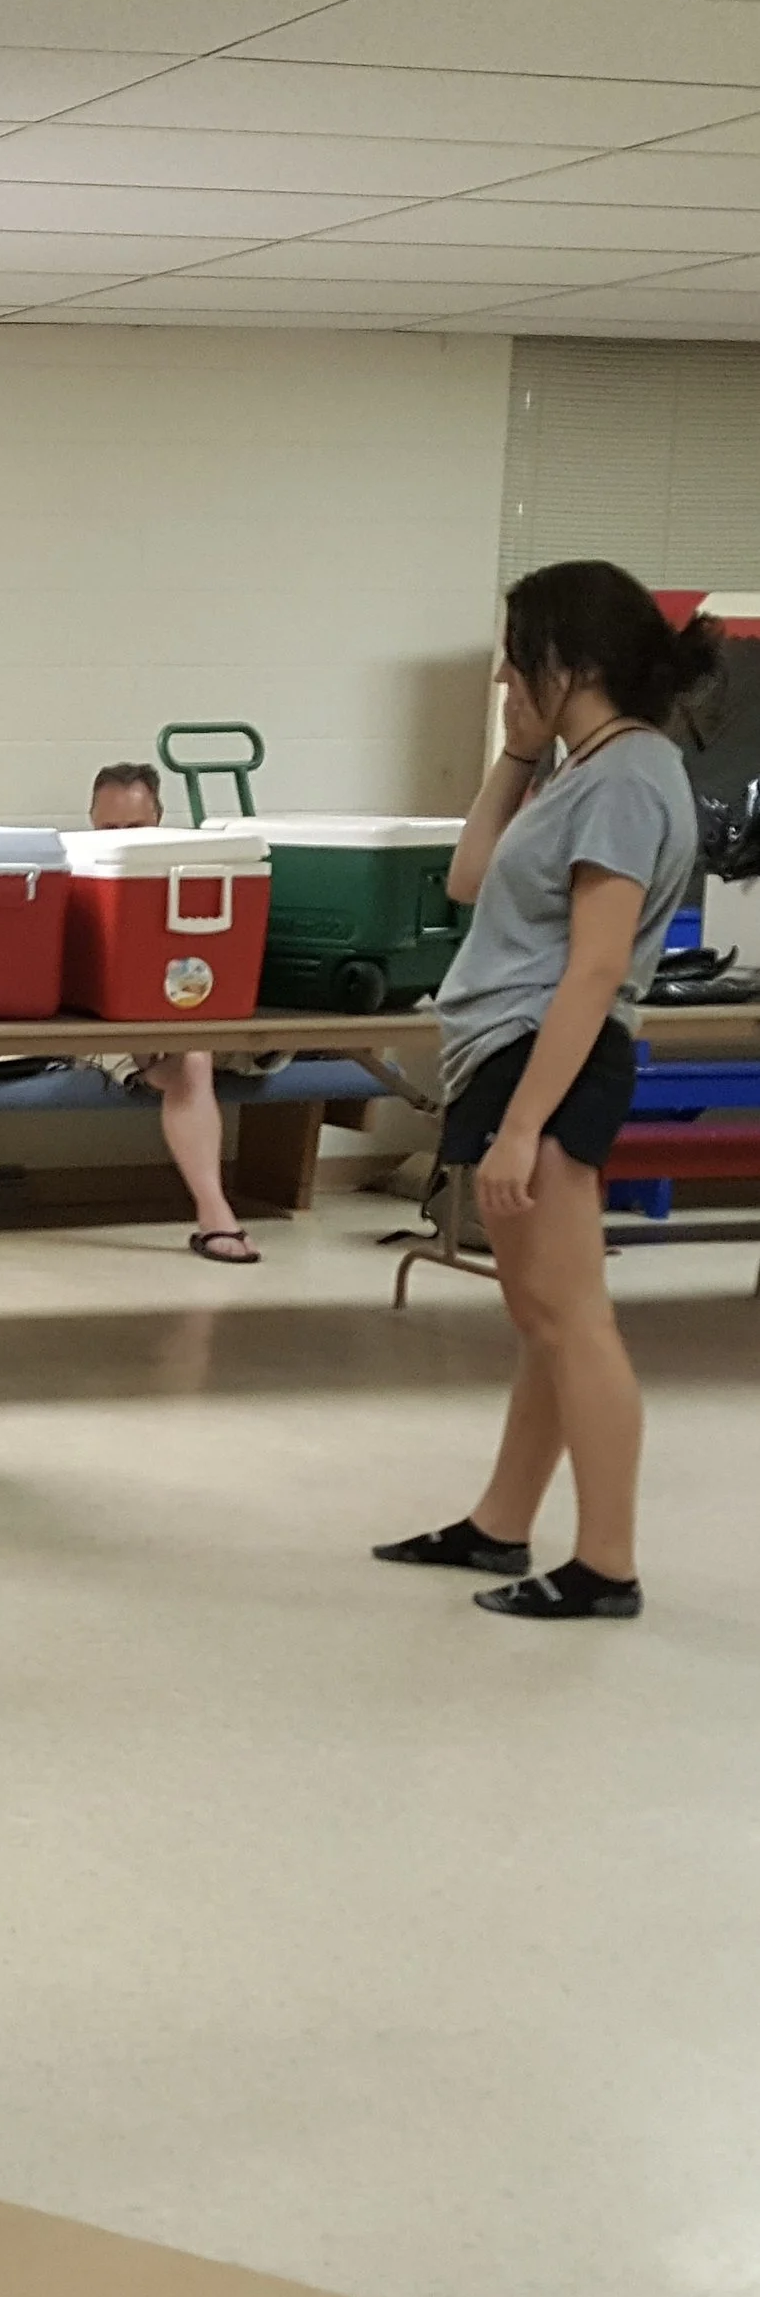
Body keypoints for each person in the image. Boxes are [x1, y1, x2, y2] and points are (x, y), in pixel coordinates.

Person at [375, 560, 710, 1622]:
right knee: (543, 1317)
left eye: (520, 657)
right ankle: (500, 1523)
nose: (505, 675)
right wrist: (519, 750)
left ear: (576, 661)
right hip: (516, 1052)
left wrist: (523, 1128)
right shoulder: (585, 767)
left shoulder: (623, 777)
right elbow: (471, 879)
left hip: (543, 1060)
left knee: (570, 1319)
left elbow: (597, 967)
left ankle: (606, 1562)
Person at [86, 761, 258, 1266]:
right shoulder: (80, 869)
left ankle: (214, 1214)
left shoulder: (198, 873)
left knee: (194, 1052)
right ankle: (216, 1216)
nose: (121, 839)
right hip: (104, 1023)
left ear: (159, 819)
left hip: (190, 1010)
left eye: (135, 828)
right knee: (191, 1055)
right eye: (109, 829)